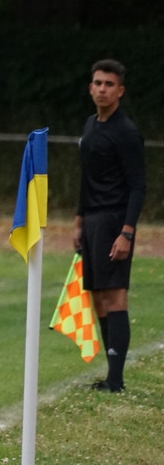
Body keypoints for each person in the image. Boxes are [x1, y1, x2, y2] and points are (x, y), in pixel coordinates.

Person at [74, 59, 146, 393]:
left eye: (109, 84)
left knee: (115, 296)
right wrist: (79, 220)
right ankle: (110, 375)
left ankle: (116, 381)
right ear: (90, 88)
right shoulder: (90, 126)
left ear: (120, 90)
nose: (103, 89)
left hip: (115, 220)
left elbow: (138, 186)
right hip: (91, 221)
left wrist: (126, 232)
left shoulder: (126, 133)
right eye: (98, 83)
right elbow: (86, 178)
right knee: (99, 298)